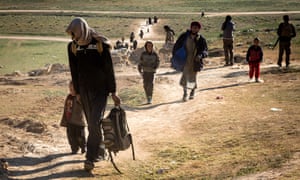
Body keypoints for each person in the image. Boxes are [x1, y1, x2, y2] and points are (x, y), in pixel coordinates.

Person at [66, 17, 121, 172]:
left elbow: (109, 69)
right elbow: (74, 71)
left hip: (100, 91)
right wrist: (76, 92)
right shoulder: (73, 47)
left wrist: (113, 92)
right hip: (83, 92)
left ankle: (89, 159)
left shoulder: (99, 45)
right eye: (72, 33)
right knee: (93, 125)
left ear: (82, 30)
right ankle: (101, 150)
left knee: (94, 123)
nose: (73, 36)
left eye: (74, 32)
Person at [173, 21, 208, 101]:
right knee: (185, 77)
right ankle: (185, 93)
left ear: (199, 29)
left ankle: (192, 92)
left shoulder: (201, 39)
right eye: (193, 27)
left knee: (192, 78)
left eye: (196, 28)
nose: (194, 29)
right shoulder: (184, 36)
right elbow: (177, 46)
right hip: (185, 60)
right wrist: (176, 55)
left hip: (195, 61)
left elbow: (205, 50)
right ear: (191, 27)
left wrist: (200, 55)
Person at [60, 80, 86, 154]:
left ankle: (83, 147)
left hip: (79, 122)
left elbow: (84, 106)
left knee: (81, 137)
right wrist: (65, 121)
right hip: (70, 122)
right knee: (71, 137)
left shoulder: (81, 97)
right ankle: (74, 149)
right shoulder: (69, 97)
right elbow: (66, 109)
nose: (71, 91)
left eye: (73, 90)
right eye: (70, 89)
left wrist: (79, 99)